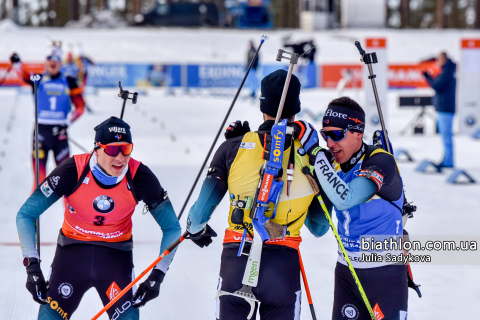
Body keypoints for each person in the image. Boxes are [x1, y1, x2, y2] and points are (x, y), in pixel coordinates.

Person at [185, 69, 332, 320]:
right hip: (282, 269)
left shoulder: (233, 147)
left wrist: (197, 231)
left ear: (262, 104)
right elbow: (319, 228)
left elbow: (197, 217)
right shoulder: (315, 157)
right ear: (296, 106)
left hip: (237, 261)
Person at [16, 116, 182, 320]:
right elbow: (26, 214)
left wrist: (158, 274)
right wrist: (32, 265)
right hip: (71, 256)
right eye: (112, 150)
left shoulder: (139, 176)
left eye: (126, 148)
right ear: (97, 148)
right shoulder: (72, 171)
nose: (120, 158)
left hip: (115, 260)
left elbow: (172, 228)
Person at [298, 96, 408, 319]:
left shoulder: (380, 161)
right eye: (324, 135)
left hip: (384, 275)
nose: (329, 143)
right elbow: (319, 228)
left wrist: (318, 158)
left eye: (337, 135)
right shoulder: (333, 166)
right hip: (347, 273)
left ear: (358, 132)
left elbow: (346, 199)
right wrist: (316, 182)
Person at [10, 45, 85, 190]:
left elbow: (80, 107)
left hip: (60, 134)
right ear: (45, 61)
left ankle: (70, 213)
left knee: (67, 181)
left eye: (56, 58)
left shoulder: (69, 81)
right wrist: (17, 62)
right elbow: (23, 74)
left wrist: (67, 124)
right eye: (50, 58)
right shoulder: (38, 78)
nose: (53, 62)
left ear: (60, 62)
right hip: (41, 133)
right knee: (39, 180)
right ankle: (32, 213)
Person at [423, 52, 456, 168]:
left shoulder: (447, 72)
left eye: (439, 60)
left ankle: (448, 161)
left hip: (445, 108)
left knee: (446, 136)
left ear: (444, 60)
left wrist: (427, 76)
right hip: (444, 108)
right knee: (445, 136)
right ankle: (447, 159)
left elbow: (437, 85)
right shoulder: (448, 70)